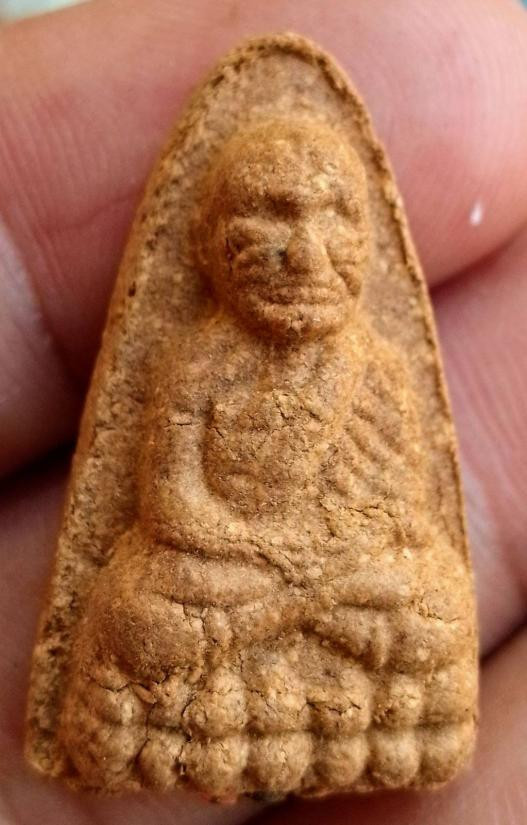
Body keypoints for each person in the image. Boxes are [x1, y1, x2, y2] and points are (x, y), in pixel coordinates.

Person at [1, 0, 527, 822]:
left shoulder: (379, 370)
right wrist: (276, 564)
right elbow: (171, 505)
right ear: (211, 241)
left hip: (331, 574)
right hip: (223, 569)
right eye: (270, 215)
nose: (303, 251)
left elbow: (396, 510)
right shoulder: (195, 364)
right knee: (134, 609)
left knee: (432, 604)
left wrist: (316, 569)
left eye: (331, 218)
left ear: (364, 238)